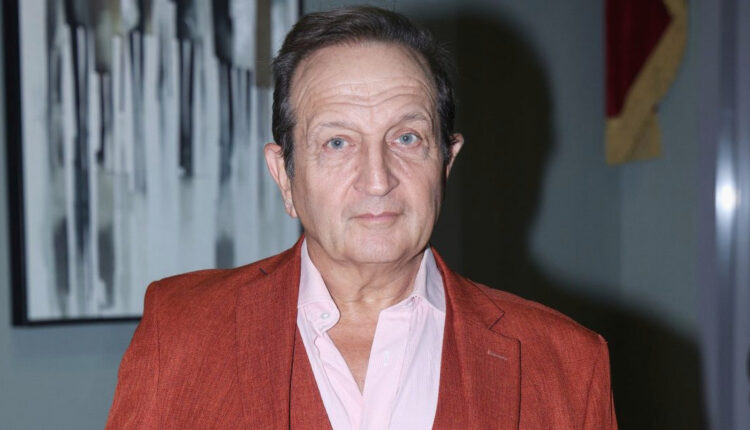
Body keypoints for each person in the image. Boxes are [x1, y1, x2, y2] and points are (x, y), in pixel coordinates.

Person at [106, 6, 618, 429]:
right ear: (284, 176)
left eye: (406, 138)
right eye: (337, 142)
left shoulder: (566, 364)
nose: (377, 179)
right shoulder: (181, 334)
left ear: (446, 163)